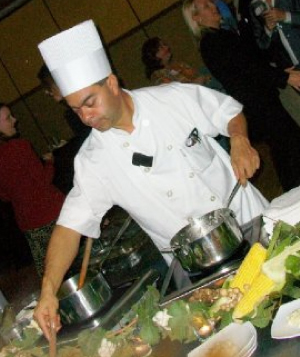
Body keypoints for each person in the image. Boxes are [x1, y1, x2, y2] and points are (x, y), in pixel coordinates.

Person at [34, 19, 268, 339]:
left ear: (113, 84)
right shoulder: (93, 161)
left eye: (90, 102)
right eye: (77, 110)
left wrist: (239, 140)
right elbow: (68, 228)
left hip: (250, 226)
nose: (87, 117)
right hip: (196, 271)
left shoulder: (171, 98)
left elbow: (227, 111)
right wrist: (48, 291)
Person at [182, 0, 300, 192]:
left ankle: (293, 194)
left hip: (260, 100)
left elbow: (254, 60)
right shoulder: (212, 42)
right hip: (256, 104)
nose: (213, 7)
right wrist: (284, 77)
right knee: (289, 147)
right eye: (205, 6)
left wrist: (279, 70)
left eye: (210, 3)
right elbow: (249, 69)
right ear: (196, 18)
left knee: (287, 147)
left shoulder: (221, 36)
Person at [0, 103, 65, 277]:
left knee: (50, 272)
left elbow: (4, 196)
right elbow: (44, 180)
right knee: (74, 258)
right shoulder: (20, 146)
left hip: (29, 223)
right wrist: (50, 162)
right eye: (8, 118)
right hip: (51, 213)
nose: (15, 120)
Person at [249, 0, 300, 70]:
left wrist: (285, 16)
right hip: (289, 67)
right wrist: (268, 29)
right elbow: (261, 45)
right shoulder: (254, 5)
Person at [141, 36, 210, 85]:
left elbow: (196, 75)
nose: (167, 47)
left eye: (165, 44)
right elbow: (175, 92)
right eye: (161, 47)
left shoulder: (179, 64)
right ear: (154, 56)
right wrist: (196, 83)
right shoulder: (158, 76)